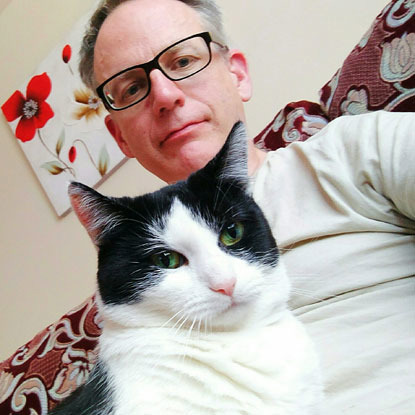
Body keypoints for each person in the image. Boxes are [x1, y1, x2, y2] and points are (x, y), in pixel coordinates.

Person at [77, 0, 415, 414]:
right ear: (120, 137)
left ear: (237, 74)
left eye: (182, 60)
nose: (164, 95)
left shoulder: (356, 151)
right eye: (131, 88)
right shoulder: (132, 272)